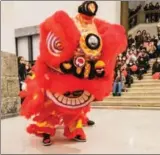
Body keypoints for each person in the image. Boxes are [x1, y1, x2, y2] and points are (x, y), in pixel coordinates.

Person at [19, 1, 127, 146]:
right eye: (86, 14)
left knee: (77, 105)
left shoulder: (97, 26)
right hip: (62, 72)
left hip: (83, 72)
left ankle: (74, 129)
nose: (88, 17)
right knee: (50, 105)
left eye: (91, 14)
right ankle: (46, 130)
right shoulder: (71, 24)